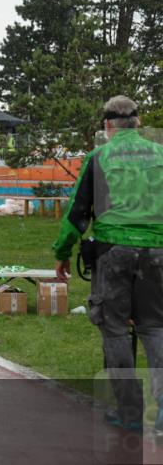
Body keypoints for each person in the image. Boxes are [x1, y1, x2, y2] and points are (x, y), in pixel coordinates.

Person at [52, 95, 163, 434]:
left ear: (107, 126)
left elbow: (78, 214)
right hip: (157, 252)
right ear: (138, 123)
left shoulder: (99, 157)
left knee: (114, 329)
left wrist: (62, 252)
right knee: (156, 327)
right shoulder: (160, 155)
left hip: (114, 252)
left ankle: (129, 412)